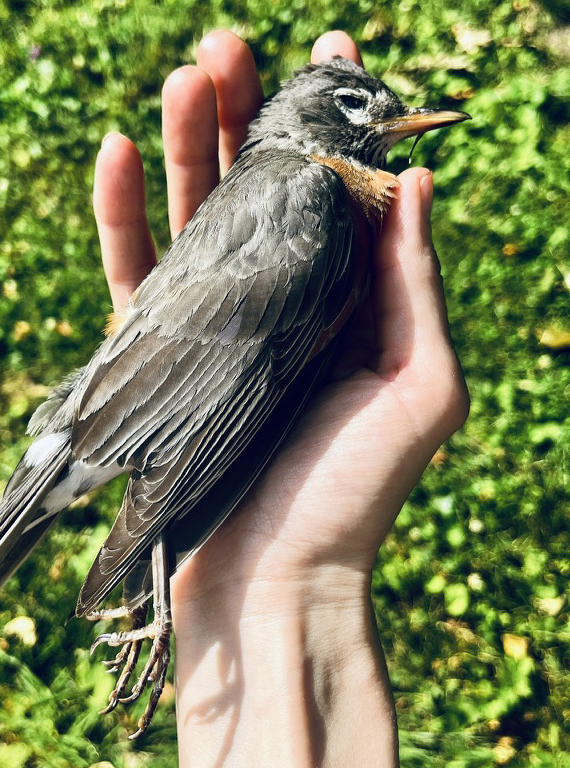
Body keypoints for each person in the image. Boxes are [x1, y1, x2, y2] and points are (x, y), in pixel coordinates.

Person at [91, 28, 469, 768]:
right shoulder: (309, 187)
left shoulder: (312, 193)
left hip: (154, 399)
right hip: (168, 401)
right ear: (312, 124)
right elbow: (232, 378)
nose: (392, 122)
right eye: (358, 108)